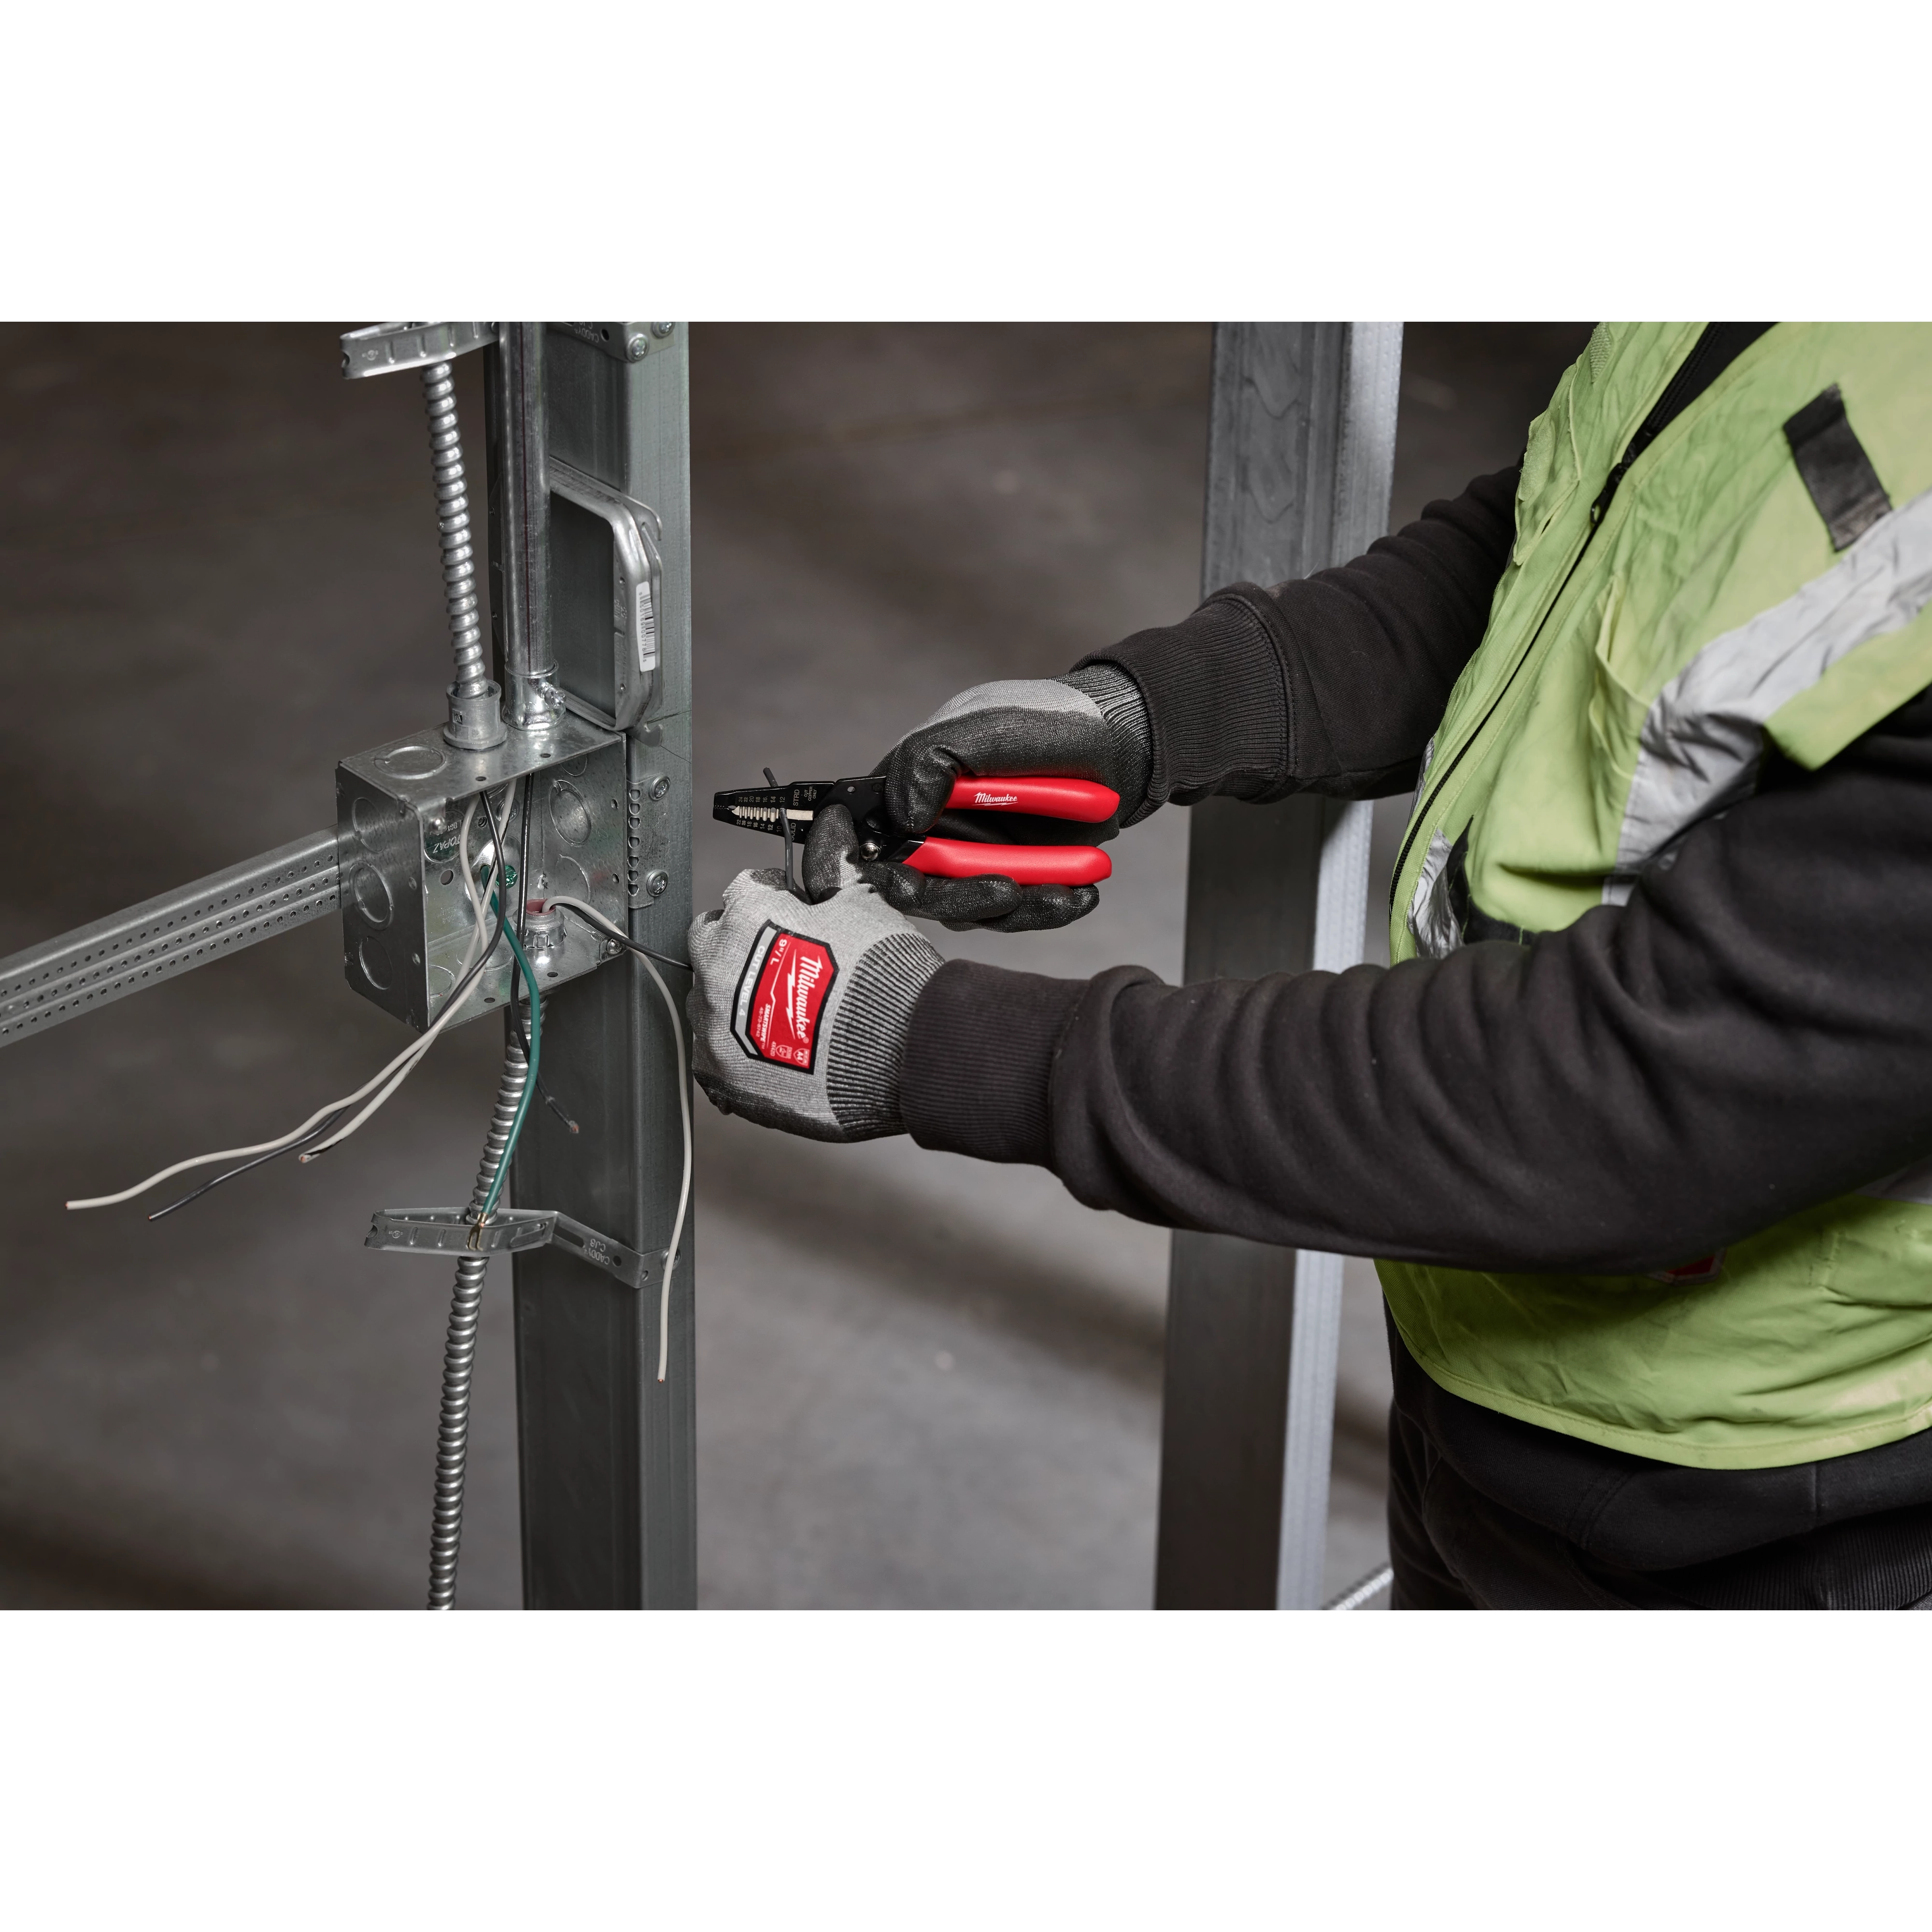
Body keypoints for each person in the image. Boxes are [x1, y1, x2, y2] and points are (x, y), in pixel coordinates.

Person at [686, 321, 1932, 1611]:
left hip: (1770, 1496)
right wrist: (1162, 715)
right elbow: (1577, 546)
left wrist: (934, 1043)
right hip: (1504, 1352)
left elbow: (1599, 1103)